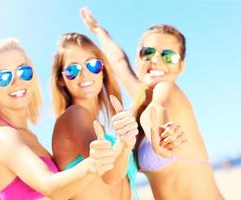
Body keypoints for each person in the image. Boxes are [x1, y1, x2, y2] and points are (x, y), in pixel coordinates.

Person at [80, 7, 224, 200]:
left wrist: (157, 131)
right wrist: (98, 30)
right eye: (147, 53)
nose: (156, 60)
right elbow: (118, 62)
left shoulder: (168, 90)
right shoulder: (140, 97)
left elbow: (156, 110)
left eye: (168, 56)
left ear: (181, 66)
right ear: (138, 59)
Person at [0, 37, 117, 200]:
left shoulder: (26, 135)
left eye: (23, 72)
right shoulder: (1, 137)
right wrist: (92, 164)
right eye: (4, 77)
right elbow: (50, 187)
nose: (17, 81)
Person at [51, 32, 182, 200]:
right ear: (61, 79)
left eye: (92, 65)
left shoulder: (97, 128)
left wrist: (99, 31)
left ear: (102, 70)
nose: (84, 74)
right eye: (72, 69)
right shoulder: (74, 116)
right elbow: (110, 174)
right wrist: (124, 143)